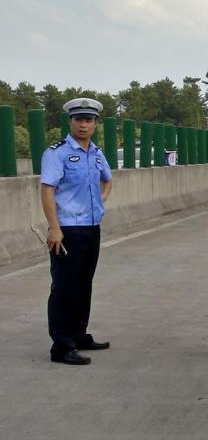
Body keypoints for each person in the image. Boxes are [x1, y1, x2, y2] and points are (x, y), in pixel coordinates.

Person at [40, 98, 113, 365]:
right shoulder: (56, 153)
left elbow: (107, 179)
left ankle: (79, 335)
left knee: (84, 284)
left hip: (91, 227)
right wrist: (55, 228)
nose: (84, 124)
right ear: (70, 122)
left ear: (95, 124)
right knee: (64, 287)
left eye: (89, 120)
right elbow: (47, 189)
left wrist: (99, 201)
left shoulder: (96, 152)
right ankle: (61, 346)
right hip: (67, 228)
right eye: (78, 119)